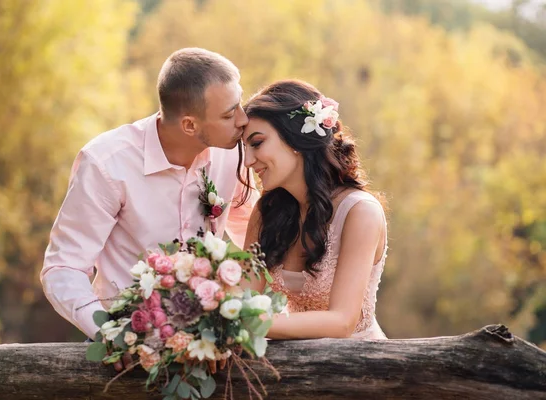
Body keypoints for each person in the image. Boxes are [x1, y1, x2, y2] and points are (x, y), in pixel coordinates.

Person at [40, 48, 257, 343]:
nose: (244, 120)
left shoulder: (233, 153)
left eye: (239, 105)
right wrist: (110, 333)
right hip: (130, 341)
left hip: (209, 340)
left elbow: (253, 230)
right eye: (230, 114)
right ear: (190, 125)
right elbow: (63, 267)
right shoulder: (107, 163)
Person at [241, 79, 388, 340]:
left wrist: (248, 322)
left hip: (363, 366)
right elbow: (243, 297)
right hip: (294, 367)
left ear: (295, 138)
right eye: (245, 148)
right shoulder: (268, 212)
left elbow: (342, 322)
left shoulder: (360, 212)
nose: (249, 161)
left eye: (257, 143)